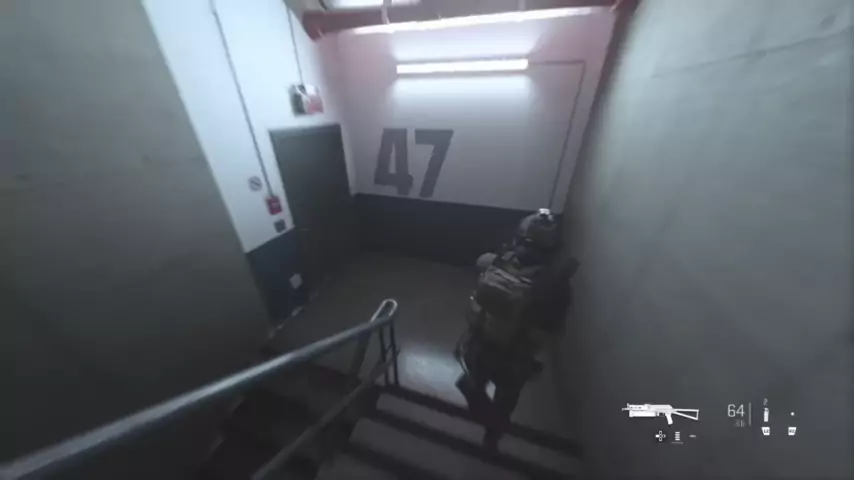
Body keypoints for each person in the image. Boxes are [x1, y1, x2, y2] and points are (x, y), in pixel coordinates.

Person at [454, 208, 577, 449]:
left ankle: (490, 422)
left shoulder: (502, 260)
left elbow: (480, 273)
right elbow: (553, 330)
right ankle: (493, 435)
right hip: (518, 353)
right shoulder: (556, 283)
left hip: (483, 341)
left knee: (471, 385)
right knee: (505, 399)